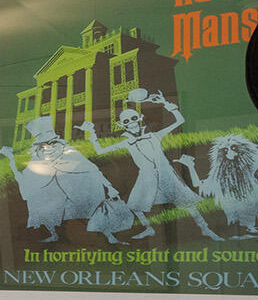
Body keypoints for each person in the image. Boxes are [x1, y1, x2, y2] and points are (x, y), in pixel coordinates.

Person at [79, 93, 222, 241]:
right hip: (147, 177)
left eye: (134, 118)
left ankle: (205, 229)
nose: (132, 122)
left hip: (167, 174)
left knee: (188, 203)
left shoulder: (154, 135)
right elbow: (100, 151)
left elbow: (180, 120)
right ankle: (149, 229)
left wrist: (166, 103)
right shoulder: (126, 142)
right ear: (122, 125)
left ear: (140, 119)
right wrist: (92, 134)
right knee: (136, 205)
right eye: (127, 121)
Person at [0, 117, 133, 244]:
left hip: (79, 194)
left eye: (52, 143)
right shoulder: (38, 162)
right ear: (38, 148)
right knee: (41, 207)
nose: (48, 148)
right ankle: (54, 234)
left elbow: (92, 169)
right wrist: (11, 159)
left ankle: (110, 237)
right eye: (43, 145)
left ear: (60, 144)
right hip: (57, 199)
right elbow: (25, 180)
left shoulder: (70, 154)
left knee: (95, 211)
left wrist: (109, 187)